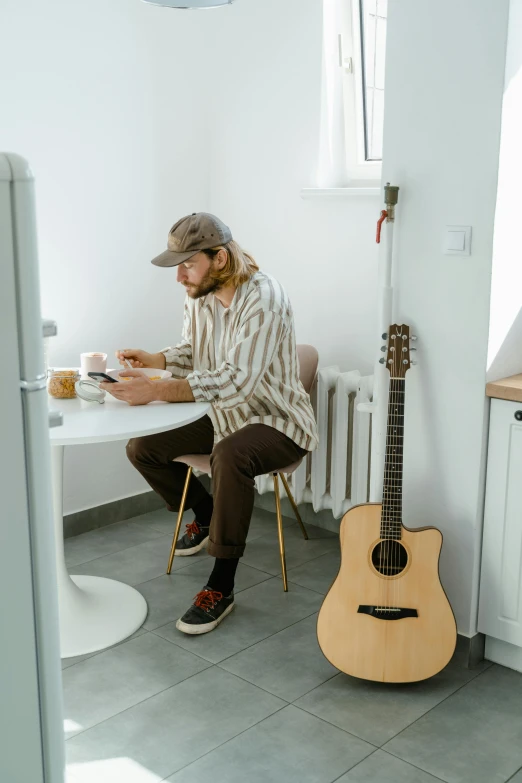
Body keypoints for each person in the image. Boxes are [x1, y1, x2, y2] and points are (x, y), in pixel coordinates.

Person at [100, 212, 318, 634]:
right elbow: (192, 350)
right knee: (143, 448)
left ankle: (221, 585)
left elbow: (236, 381)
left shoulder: (265, 299)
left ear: (219, 259)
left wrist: (158, 390)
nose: (180, 276)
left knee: (229, 455)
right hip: (222, 415)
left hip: (277, 420)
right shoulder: (200, 293)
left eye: (187, 264)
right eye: (177, 266)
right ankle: (207, 511)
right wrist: (157, 361)